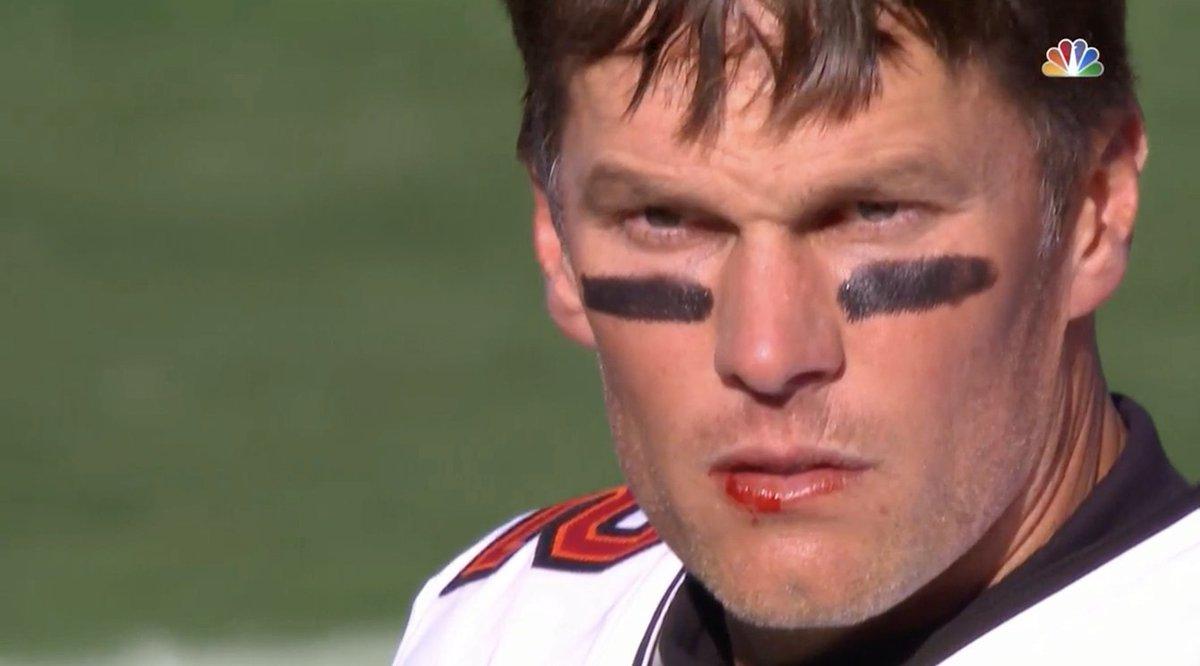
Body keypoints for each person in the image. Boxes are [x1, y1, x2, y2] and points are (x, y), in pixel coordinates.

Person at [394, 1, 1200, 663]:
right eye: (665, 219)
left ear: (1094, 211)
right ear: (556, 240)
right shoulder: (502, 626)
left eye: (872, 213)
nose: (767, 355)